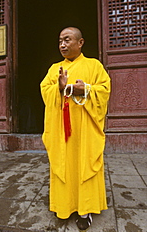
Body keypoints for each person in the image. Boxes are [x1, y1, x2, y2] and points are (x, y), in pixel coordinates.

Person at [40, 27, 111, 230]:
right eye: (60, 40)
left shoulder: (93, 65)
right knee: (63, 164)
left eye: (67, 40)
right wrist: (59, 88)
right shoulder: (54, 69)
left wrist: (85, 89)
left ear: (80, 43)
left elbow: (104, 90)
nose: (62, 44)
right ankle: (63, 207)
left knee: (84, 164)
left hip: (84, 129)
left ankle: (84, 210)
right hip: (61, 129)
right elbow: (45, 91)